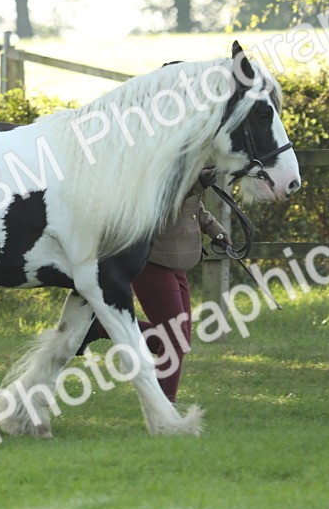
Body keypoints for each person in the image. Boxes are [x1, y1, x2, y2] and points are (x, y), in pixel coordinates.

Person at [77, 165, 230, 403]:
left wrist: (214, 229)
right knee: (175, 340)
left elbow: (192, 205)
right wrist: (198, 180)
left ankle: (101, 327)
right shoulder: (162, 157)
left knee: (179, 339)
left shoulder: (189, 158)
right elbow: (168, 196)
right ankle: (164, 407)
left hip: (175, 256)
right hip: (151, 256)